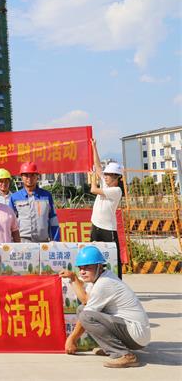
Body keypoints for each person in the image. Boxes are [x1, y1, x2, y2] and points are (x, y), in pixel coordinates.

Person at [59, 246, 150, 368]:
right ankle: (112, 348)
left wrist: (72, 339)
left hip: (136, 334)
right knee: (82, 310)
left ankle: (124, 355)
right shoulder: (99, 278)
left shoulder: (104, 283)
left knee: (86, 315)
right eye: (80, 268)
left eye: (87, 268)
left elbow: (86, 307)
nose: (82, 272)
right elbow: (86, 300)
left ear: (99, 266)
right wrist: (73, 278)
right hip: (132, 332)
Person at [90, 138, 124, 279]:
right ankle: (96, 281)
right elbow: (98, 167)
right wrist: (94, 147)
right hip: (95, 225)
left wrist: (93, 177)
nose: (106, 176)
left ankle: (118, 282)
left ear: (116, 177)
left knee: (113, 257)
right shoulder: (106, 184)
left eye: (109, 175)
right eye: (107, 174)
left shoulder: (116, 190)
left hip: (108, 228)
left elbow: (93, 189)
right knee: (94, 256)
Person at [10, 161, 60, 242]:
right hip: (22, 242)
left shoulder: (47, 196)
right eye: (26, 175)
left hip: (43, 242)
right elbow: (11, 223)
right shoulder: (14, 197)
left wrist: (55, 241)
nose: (29, 178)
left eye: (32, 175)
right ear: (21, 177)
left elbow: (53, 220)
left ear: (37, 176)